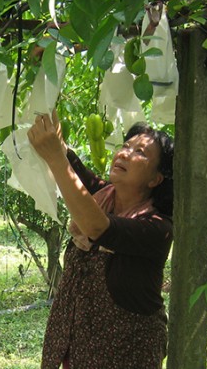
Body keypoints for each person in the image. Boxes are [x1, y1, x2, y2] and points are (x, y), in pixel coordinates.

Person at [28, 112, 174, 369]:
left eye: (140, 152)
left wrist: (55, 158)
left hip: (127, 350)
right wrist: (51, 130)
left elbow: (98, 227)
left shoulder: (156, 228)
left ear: (155, 179)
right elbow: (74, 168)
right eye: (126, 146)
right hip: (77, 343)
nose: (125, 153)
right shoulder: (102, 195)